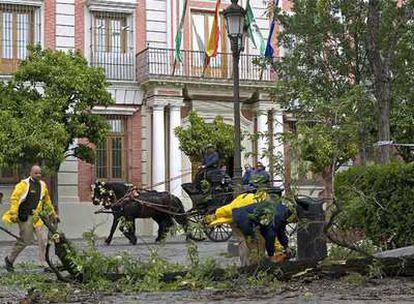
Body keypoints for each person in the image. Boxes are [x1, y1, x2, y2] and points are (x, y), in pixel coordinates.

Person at [2, 165, 57, 272]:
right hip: (24, 217)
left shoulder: (42, 185)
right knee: (25, 240)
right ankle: (9, 260)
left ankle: (44, 263)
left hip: (37, 217)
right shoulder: (23, 185)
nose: (38, 175)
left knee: (43, 239)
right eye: (36, 173)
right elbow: (14, 199)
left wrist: (53, 214)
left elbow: (47, 201)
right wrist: (13, 213)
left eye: (40, 173)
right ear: (31, 173)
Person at [232, 200, 292, 265]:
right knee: (253, 246)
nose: (294, 222)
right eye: (295, 221)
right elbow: (270, 235)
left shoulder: (282, 212)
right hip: (243, 219)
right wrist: (271, 255)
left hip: (243, 216)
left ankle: (257, 265)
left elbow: (280, 231)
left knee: (260, 243)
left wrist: (286, 246)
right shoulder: (280, 215)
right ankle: (251, 269)